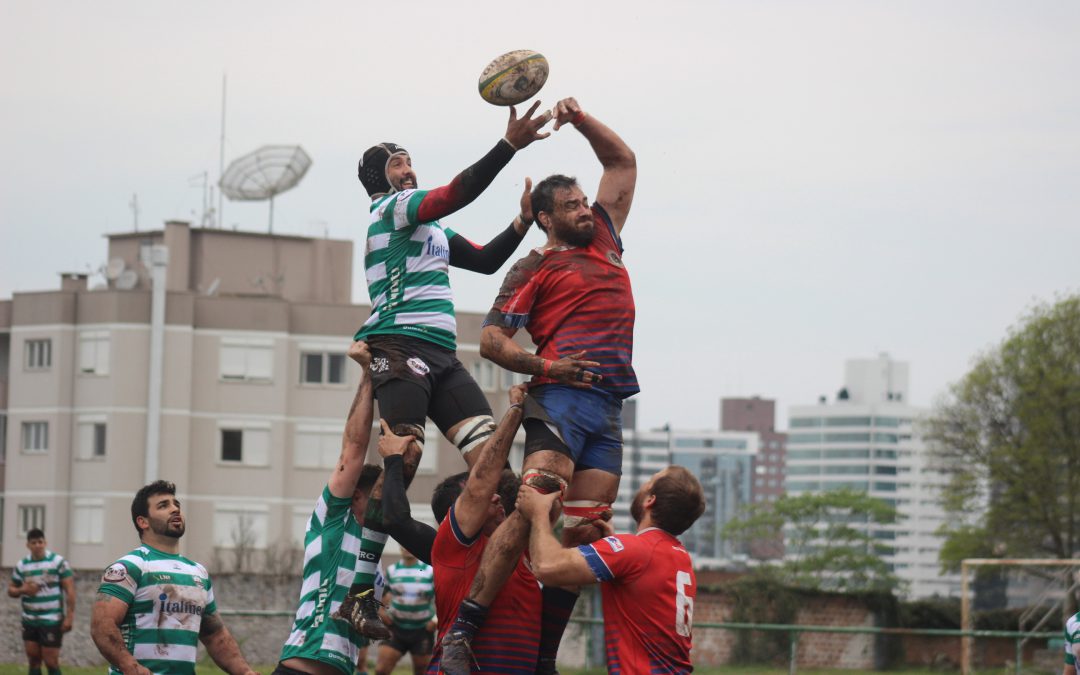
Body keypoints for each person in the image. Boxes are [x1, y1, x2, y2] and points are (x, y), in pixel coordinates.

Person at [440, 96, 638, 673]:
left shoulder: (604, 236)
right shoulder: (534, 267)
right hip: (559, 402)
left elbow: (622, 162)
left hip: (606, 410)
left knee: (579, 533)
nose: (584, 209)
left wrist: (579, 121)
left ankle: (545, 657)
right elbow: (491, 342)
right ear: (545, 218)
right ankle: (463, 632)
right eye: (571, 206)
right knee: (535, 513)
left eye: (583, 201)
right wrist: (551, 370)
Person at [341, 103, 553, 638]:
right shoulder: (392, 210)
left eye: (410, 163)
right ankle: (361, 593)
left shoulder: (428, 227)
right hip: (398, 343)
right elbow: (456, 191)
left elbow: (483, 260)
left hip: (440, 355)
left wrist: (523, 220)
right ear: (377, 179)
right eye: (397, 164)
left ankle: (494, 563)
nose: (408, 170)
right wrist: (508, 145)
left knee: (495, 468)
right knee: (402, 465)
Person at [517, 466, 706, 675]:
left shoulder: (635, 551)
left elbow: (546, 567)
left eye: (649, 481)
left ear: (650, 500)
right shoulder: (681, 557)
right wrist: (611, 547)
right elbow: (639, 587)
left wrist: (538, 514)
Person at [275, 341, 391, 675]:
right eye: (378, 496)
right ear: (356, 497)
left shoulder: (374, 553)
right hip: (300, 666)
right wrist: (369, 373)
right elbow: (353, 449)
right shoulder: (333, 520)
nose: (386, 504)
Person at [424, 384, 540, 673]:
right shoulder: (453, 546)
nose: (496, 495)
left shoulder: (521, 546)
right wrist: (515, 412)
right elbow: (482, 482)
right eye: (488, 495)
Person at [91, 481, 257, 675]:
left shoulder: (198, 572)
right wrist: (130, 666)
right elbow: (102, 626)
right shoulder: (129, 567)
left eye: (176, 504)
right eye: (163, 505)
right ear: (143, 521)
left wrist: (246, 672)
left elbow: (215, 635)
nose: (175, 509)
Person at [8, 529, 75, 675]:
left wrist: (69, 617)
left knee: (51, 661)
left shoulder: (57, 562)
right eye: (34, 543)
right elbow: (11, 590)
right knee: (33, 661)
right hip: (29, 620)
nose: (38, 545)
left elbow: (69, 591)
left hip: (51, 620)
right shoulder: (22, 565)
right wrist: (22, 589)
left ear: (45, 543)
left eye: (40, 542)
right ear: (28, 545)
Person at [375, 549, 436, 675]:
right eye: (404, 545)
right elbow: (381, 594)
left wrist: (436, 620)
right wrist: (381, 612)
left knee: (422, 671)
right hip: (396, 627)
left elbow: (444, 598)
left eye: (411, 545)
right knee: (381, 670)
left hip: (422, 629)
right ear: (400, 546)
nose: (408, 549)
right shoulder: (392, 570)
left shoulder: (430, 570)